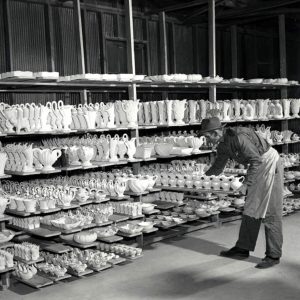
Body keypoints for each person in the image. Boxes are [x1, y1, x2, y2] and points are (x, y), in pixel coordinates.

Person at [200, 117, 283, 269]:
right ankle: (243, 248)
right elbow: (219, 165)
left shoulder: (238, 137)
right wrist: (201, 180)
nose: (206, 140)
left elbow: (256, 160)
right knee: (251, 208)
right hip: (257, 167)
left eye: (206, 137)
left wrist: (245, 185)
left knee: (271, 212)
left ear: (215, 133)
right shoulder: (223, 143)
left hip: (269, 163)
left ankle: (273, 255)